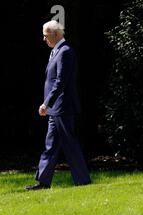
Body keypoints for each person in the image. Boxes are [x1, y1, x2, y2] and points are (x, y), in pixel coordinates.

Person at [26, 21, 91, 191]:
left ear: (55, 34)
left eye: (46, 35)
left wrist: (47, 103)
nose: (44, 39)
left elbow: (61, 81)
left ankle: (83, 181)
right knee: (51, 145)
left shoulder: (65, 52)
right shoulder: (57, 51)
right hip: (56, 107)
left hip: (62, 106)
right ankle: (43, 181)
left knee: (69, 143)